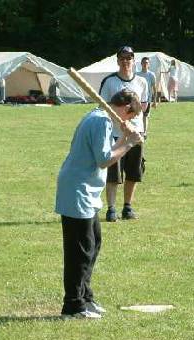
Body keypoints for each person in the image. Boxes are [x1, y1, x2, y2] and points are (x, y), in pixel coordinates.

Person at [55, 89, 144, 319]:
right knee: (80, 251)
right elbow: (104, 160)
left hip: (86, 192)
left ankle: (85, 297)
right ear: (126, 108)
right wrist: (129, 143)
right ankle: (73, 306)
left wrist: (124, 138)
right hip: (78, 190)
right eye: (131, 116)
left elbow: (106, 151)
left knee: (93, 244)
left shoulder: (100, 117)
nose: (129, 120)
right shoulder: (101, 121)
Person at [99, 46, 148, 222]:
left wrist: (143, 130)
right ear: (118, 60)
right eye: (122, 58)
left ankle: (127, 207)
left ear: (134, 61)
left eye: (129, 58)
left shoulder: (142, 82)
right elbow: (102, 107)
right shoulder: (109, 81)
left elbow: (144, 108)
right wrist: (119, 120)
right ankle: (111, 209)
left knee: (134, 172)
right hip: (114, 132)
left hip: (136, 133)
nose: (126, 61)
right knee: (113, 173)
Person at [136, 56, 157, 134]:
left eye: (147, 63)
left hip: (147, 99)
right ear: (141, 64)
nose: (145, 64)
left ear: (149, 64)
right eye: (144, 62)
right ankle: (139, 131)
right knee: (138, 115)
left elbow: (154, 88)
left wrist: (154, 101)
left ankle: (144, 132)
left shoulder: (151, 75)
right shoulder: (137, 74)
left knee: (145, 116)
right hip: (138, 99)